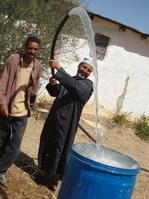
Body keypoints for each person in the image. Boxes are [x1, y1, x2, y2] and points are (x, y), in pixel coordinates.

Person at [38, 57, 93, 189]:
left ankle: (53, 178)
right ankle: (44, 172)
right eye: (84, 67)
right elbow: (56, 92)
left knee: (60, 148)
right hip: (54, 118)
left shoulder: (87, 85)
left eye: (88, 70)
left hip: (67, 123)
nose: (85, 71)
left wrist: (59, 69)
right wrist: (53, 84)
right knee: (48, 142)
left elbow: (76, 89)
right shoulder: (69, 79)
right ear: (79, 66)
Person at [0, 36, 43, 185]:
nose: (32, 51)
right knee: (2, 140)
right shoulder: (13, 59)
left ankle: (1, 170)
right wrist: (3, 104)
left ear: (38, 50)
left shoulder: (38, 66)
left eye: (35, 49)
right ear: (25, 47)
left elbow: (35, 87)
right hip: (6, 109)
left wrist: (31, 104)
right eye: (30, 48)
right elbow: (3, 84)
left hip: (22, 112)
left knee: (15, 146)